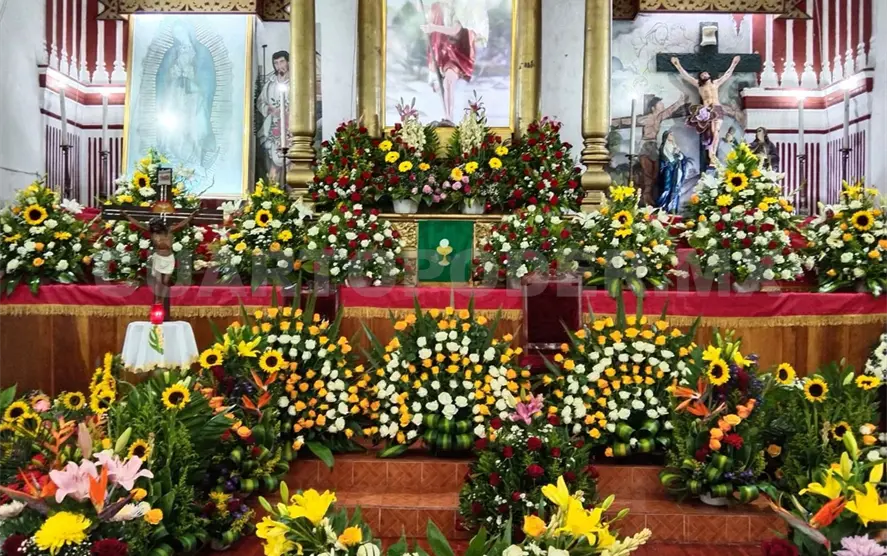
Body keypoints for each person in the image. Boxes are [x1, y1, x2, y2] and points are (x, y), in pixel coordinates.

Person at [420, 0, 490, 125]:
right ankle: (447, 117)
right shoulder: (437, 7)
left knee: (449, 81)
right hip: (442, 50)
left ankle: (449, 117)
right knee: (443, 84)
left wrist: (433, 27)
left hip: (458, 53)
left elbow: (455, 30)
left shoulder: (460, 7)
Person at [122, 210, 200, 320]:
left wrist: (191, 216)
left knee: (165, 281)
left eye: (156, 226)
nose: (155, 228)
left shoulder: (169, 231)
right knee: (158, 281)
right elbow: (138, 224)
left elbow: (181, 224)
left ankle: (161, 300)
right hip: (158, 257)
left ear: (160, 225)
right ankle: (158, 301)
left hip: (169, 258)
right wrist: (127, 216)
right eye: (153, 227)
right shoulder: (152, 233)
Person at [612, 94, 688, 204]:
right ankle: (646, 198)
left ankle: (653, 196)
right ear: (653, 108)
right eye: (660, 104)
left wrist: (679, 102)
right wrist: (616, 122)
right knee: (647, 174)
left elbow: (669, 111)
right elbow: (631, 120)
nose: (662, 105)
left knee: (655, 174)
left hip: (654, 146)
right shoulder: (646, 118)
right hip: (645, 146)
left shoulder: (659, 117)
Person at [670, 55, 741, 168]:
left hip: (717, 108)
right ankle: (711, 156)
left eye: (705, 73)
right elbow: (686, 76)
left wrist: (734, 63)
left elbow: (727, 75)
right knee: (711, 133)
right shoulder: (699, 85)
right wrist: (677, 64)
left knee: (716, 133)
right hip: (707, 110)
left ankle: (713, 156)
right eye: (702, 74)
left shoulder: (715, 83)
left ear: (709, 75)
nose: (704, 75)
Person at [258, 51, 290, 176]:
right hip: (274, 127)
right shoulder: (270, 84)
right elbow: (260, 102)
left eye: (282, 62)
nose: (279, 66)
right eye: (276, 63)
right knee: (274, 164)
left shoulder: (295, 83)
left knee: (291, 162)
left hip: (290, 127)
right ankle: (272, 187)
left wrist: (288, 112)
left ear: (288, 62)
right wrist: (270, 109)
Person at [655, 131, 689, 213]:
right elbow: (668, 160)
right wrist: (676, 156)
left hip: (676, 170)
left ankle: (672, 208)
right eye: (670, 134)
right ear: (666, 136)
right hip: (667, 170)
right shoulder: (663, 147)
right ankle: (662, 207)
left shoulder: (675, 146)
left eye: (672, 135)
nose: (672, 136)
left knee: (675, 188)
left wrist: (679, 155)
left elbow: (682, 158)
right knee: (666, 188)